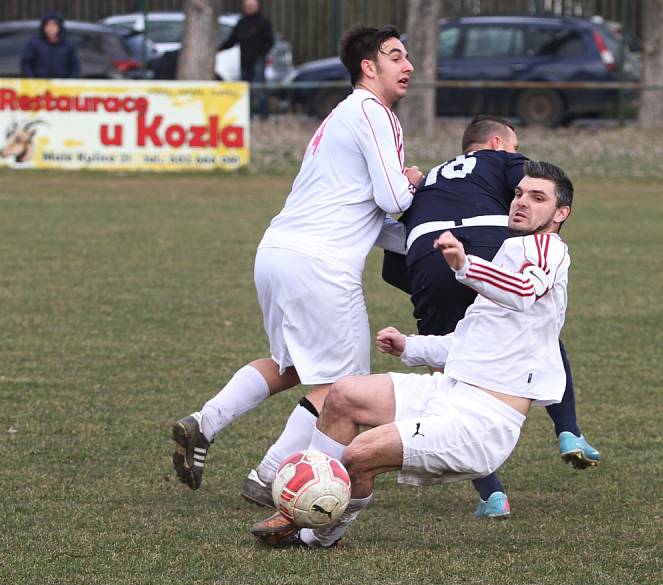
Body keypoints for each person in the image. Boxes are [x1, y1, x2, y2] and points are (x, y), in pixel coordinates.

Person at [252, 160, 577, 548]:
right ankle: (301, 507)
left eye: (537, 198)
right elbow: (475, 340)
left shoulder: (548, 248)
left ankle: (316, 533)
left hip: (483, 420)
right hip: (450, 390)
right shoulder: (512, 248)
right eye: (519, 194)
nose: (521, 203)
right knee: (344, 394)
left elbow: (524, 291)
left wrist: (465, 264)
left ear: (561, 213)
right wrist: (412, 346)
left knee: (359, 455)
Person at [171, 25, 422, 501]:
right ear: (369, 68)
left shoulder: (341, 116)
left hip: (277, 253)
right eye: (395, 56)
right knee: (346, 388)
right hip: (319, 265)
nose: (408, 65)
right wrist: (415, 182)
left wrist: (423, 241)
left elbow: (367, 215)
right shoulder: (376, 112)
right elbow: (392, 197)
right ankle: (269, 476)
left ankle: (205, 422)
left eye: (408, 57)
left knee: (289, 364)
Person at [383, 115, 600, 518]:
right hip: (485, 246)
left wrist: (430, 288)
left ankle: (493, 495)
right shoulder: (502, 162)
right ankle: (568, 430)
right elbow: (540, 181)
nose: (521, 196)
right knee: (541, 330)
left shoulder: (430, 179)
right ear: (498, 143)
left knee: (453, 372)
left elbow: (391, 262)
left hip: (426, 257)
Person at [219, 0, 275, 119]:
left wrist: (261, 54)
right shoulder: (241, 22)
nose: (249, 8)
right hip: (244, 61)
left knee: (259, 87)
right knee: (246, 88)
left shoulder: (263, 22)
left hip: (258, 60)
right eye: (247, 6)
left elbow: (270, 41)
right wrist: (220, 48)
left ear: (256, 7)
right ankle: (248, 113)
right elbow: (233, 39)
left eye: (251, 6)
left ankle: (264, 114)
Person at [20, 11, 80, 79]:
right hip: (39, 86)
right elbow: (26, 64)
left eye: (54, 25)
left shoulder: (68, 45)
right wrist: (32, 81)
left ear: (59, 27)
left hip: (62, 86)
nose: (51, 28)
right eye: (48, 25)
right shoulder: (34, 44)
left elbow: (75, 67)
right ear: (43, 27)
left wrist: (70, 83)